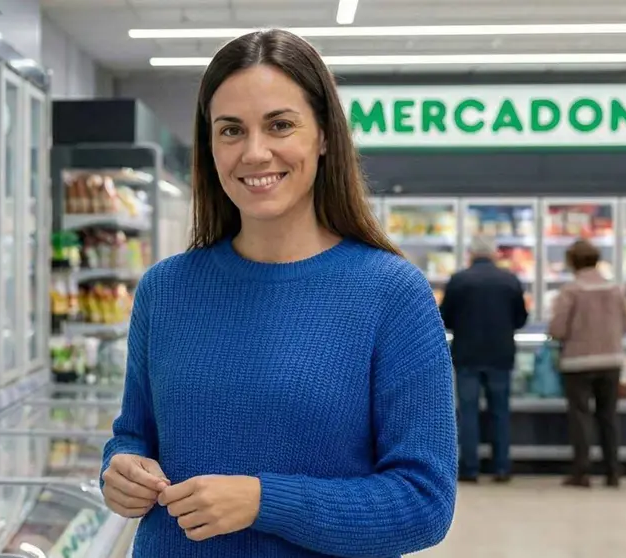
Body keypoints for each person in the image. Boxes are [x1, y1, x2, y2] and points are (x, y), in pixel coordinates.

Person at [99, 29, 457, 557]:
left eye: (280, 125)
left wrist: (265, 501)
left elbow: (425, 503)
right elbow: (134, 434)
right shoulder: (165, 289)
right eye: (231, 130)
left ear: (324, 136)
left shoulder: (391, 293)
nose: (254, 152)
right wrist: (120, 468)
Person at [439, 235, 528, 483]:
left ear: (471, 254)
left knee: (468, 413)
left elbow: (445, 317)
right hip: (501, 355)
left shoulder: (459, 280)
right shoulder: (510, 280)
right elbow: (521, 319)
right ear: (494, 254)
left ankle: (470, 468)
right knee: (500, 412)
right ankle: (501, 467)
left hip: (467, 354)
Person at [548, 239, 626, 488]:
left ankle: (582, 472)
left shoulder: (571, 291)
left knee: (580, 416)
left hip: (578, 361)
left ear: (572, 262)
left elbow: (558, 328)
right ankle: (613, 471)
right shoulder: (615, 289)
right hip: (611, 360)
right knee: (608, 416)